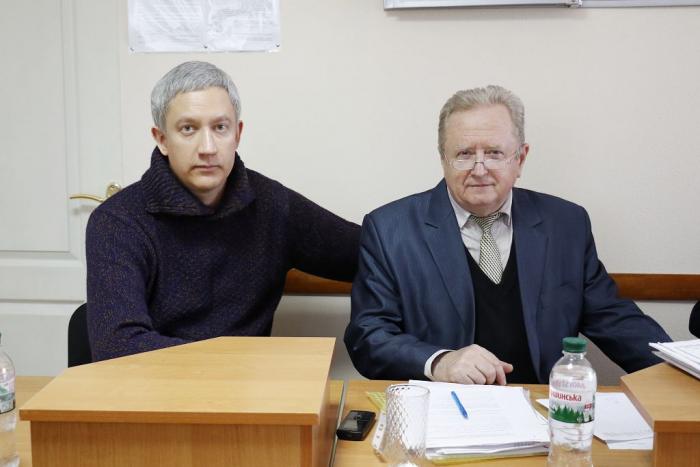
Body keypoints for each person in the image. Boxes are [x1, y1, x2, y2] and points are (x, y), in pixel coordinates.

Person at [345, 85, 670, 385]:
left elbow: (614, 319)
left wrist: (679, 369)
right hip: (444, 409)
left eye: (494, 153)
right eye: (464, 154)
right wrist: (439, 361)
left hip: (542, 407)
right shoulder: (390, 230)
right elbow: (368, 336)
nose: (480, 169)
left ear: (521, 159)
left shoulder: (565, 224)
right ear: (443, 159)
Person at [86, 61, 360, 361]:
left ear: (237, 134)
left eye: (220, 128)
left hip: (248, 387)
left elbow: (368, 252)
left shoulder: (271, 204)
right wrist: (239, 364)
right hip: (155, 386)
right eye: (188, 129)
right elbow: (117, 346)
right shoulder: (118, 222)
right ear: (162, 139)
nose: (208, 148)